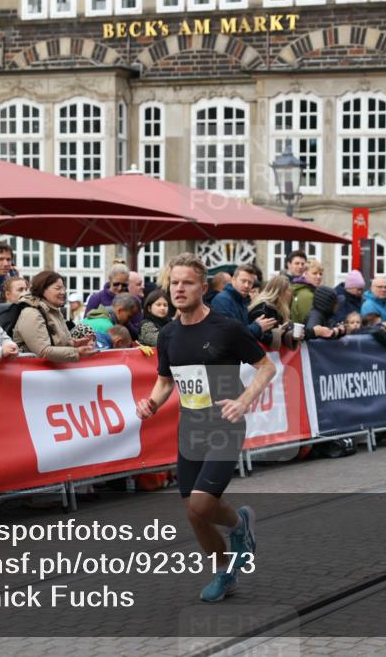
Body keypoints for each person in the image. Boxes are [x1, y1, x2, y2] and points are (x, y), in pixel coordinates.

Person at [136, 253, 275, 603]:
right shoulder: (167, 334)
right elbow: (166, 381)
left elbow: (266, 368)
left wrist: (244, 400)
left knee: (200, 506)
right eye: (174, 283)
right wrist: (151, 403)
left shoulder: (226, 328)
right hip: (190, 429)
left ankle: (240, 525)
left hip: (224, 427)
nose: (179, 289)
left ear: (202, 287)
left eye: (187, 283)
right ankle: (225, 571)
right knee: (195, 514)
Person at [14, 270, 96, 362]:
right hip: (32, 373)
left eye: (64, 288)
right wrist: (77, 352)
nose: (63, 292)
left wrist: (75, 343)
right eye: (58, 288)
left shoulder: (54, 311)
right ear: (42, 290)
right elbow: (43, 351)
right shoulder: (31, 313)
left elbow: (57, 343)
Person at [211, 264, 276, 342]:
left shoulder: (244, 301)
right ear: (233, 280)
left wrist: (257, 325)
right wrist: (257, 327)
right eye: (243, 281)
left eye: (250, 283)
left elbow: (242, 329)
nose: (246, 285)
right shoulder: (222, 300)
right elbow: (230, 334)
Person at [247, 275, 296, 349]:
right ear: (280, 292)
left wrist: (290, 334)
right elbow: (260, 336)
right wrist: (276, 334)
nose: (290, 294)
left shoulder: (279, 309)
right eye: (288, 290)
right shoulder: (263, 309)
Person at [289, 259, 322, 324]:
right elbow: (310, 323)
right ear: (305, 274)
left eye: (320, 274)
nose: (319, 276)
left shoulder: (303, 290)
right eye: (314, 273)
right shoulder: (306, 295)